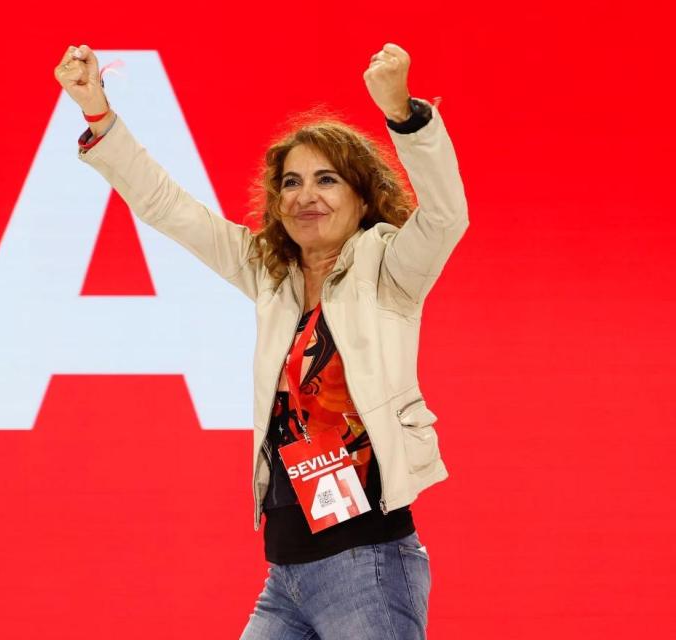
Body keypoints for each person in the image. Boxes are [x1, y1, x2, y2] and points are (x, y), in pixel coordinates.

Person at [55, 41, 468, 639]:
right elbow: (168, 207)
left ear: (361, 196)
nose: (305, 196)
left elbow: (446, 216)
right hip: (285, 577)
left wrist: (404, 115)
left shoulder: (391, 271)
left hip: (368, 566)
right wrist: (98, 113)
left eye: (327, 180)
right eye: (291, 182)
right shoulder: (270, 273)